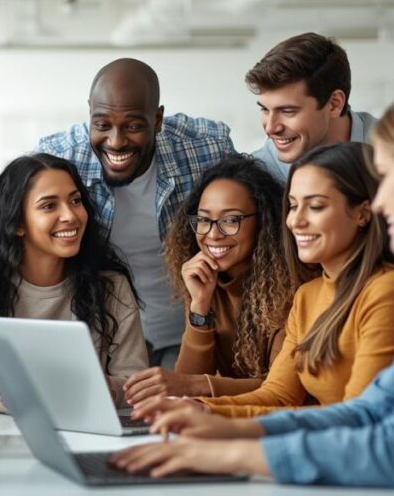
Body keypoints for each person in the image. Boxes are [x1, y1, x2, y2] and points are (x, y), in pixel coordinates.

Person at [109, 77, 394, 496]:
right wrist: (226, 428)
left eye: (388, 179)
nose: (379, 201)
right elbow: (372, 410)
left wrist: (225, 452)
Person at [133, 142, 394, 419]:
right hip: (322, 445)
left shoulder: (389, 290)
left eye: (316, 206)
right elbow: (279, 395)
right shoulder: (309, 295)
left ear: (362, 213)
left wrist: (210, 409)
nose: (294, 221)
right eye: (293, 206)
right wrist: (201, 410)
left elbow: (360, 418)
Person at [37, 58, 236, 369]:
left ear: (157, 120)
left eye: (132, 126)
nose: (116, 142)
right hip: (102, 342)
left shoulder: (208, 149)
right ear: (90, 111)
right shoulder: (60, 158)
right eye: (102, 124)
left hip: (188, 337)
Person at [0, 154, 149, 412]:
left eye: (75, 201)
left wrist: (102, 388)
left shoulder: (112, 287)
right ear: (18, 223)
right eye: (49, 206)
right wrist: (3, 399)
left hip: (89, 431)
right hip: (1, 436)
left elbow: (137, 385)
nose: (70, 216)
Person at [123, 154, 302, 405]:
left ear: (264, 221)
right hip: (231, 420)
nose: (213, 234)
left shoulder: (295, 287)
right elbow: (187, 387)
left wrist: (195, 385)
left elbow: (281, 390)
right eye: (204, 220)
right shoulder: (207, 281)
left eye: (230, 220)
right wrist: (199, 306)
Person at [249, 32, 378, 183]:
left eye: (287, 111)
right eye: (265, 109)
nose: (271, 128)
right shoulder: (260, 173)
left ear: (334, 104)